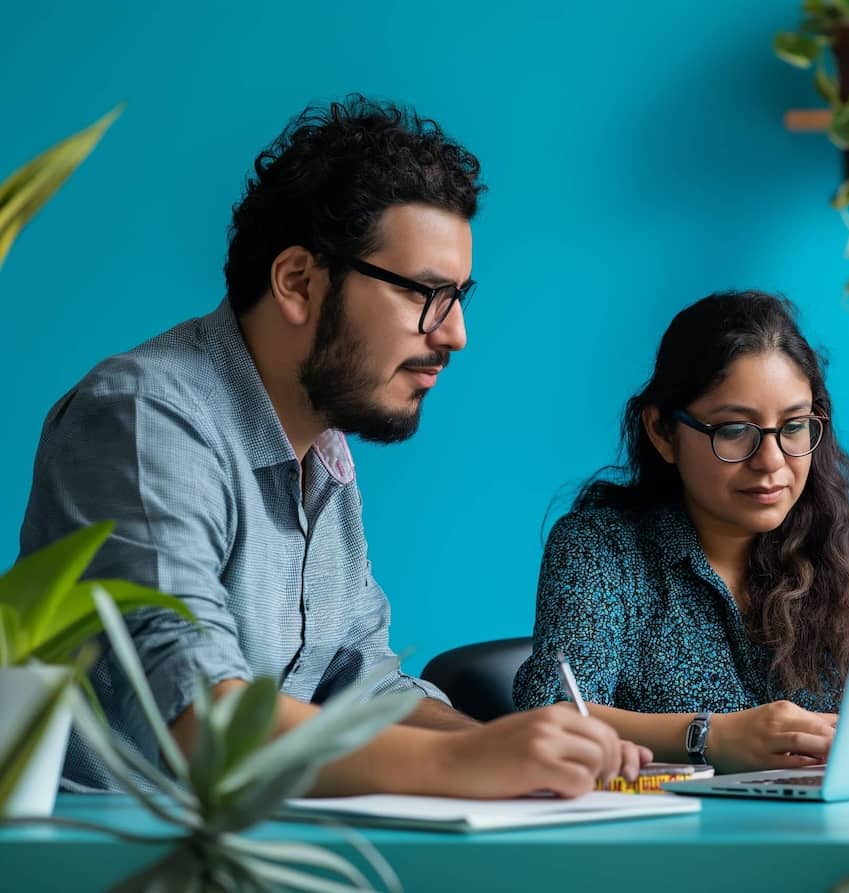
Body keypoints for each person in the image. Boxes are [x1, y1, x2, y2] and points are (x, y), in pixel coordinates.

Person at [20, 96, 648, 798]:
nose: (455, 334)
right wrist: (463, 765)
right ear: (298, 281)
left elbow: (364, 686)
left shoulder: (323, 450)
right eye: (428, 294)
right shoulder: (146, 418)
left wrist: (523, 750)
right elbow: (198, 719)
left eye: (460, 296)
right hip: (110, 856)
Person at [513, 291, 849, 772]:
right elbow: (553, 714)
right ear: (663, 432)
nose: (771, 462)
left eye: (793, 427)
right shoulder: (604, 550)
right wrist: (711, 735)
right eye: (734, 431)